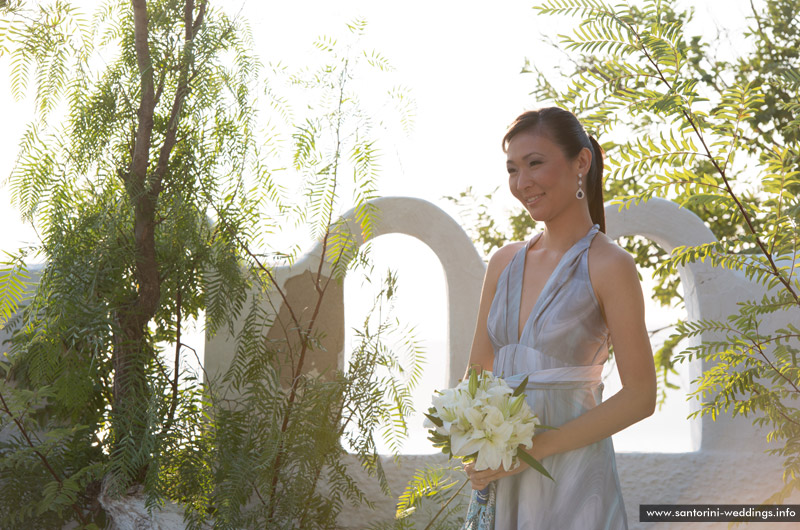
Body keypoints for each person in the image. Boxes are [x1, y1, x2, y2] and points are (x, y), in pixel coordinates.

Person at [462, 107, 657, 529]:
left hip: (573, 481)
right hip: (500, 478)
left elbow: (642, 395)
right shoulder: (503, 262)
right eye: (513, 169)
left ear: (580, 163)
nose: (522, 182)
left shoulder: (610, 265)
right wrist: (473, 443)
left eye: (535, 163)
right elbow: (477, 374)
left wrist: (536, 449)